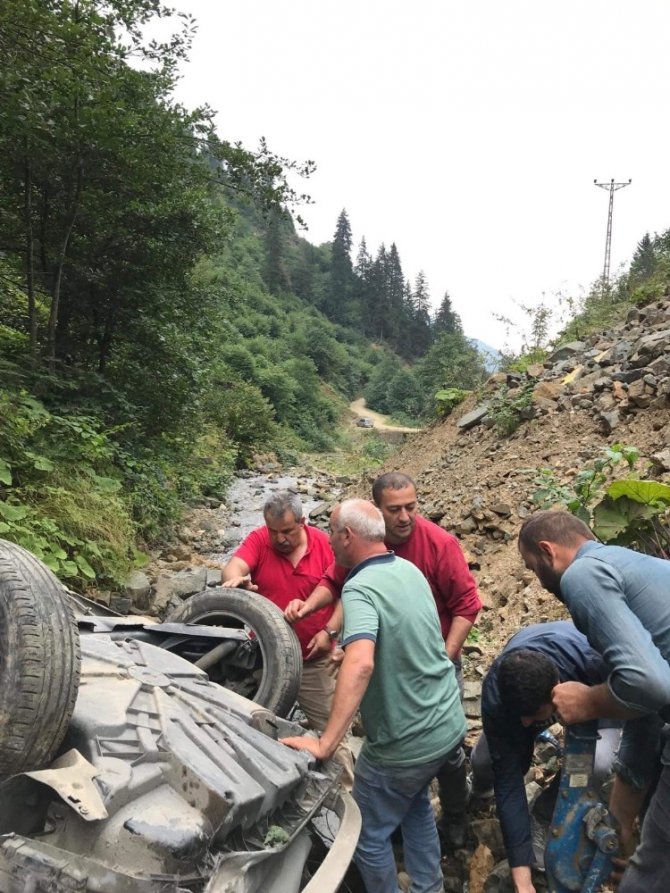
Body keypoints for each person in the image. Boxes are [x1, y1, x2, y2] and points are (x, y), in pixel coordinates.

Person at [285, 472, 481, 846]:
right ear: (377, 512)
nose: (405, 517)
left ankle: (456, 812)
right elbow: (339, 583)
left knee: (447, 753)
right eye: (395, 510)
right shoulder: (364, 541)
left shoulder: (439, 545)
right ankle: (405, 811)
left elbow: (467, 606)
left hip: (434, 658)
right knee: (395, 737)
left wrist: (443, 657)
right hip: (388, 660)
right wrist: (321, 622)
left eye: (411, 507)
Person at [518, 509, 670, 893]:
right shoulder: (633, 565)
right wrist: (620, 820)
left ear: (547, 550)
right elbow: (645, 711)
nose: (540, 583)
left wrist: (590, 701)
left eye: (535, 570)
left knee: (649, 872)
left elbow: (650, 685)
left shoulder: (583, 575)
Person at [472, 621, 627, 893]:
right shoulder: (498, 689)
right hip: (529, 670)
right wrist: (522, 880)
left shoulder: (595, 662)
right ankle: (478, 792)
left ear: (556, 691)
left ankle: (543, 812)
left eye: (533, 716)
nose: (525, 723)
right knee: (486, 763)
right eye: (522, 716)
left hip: (596, 688)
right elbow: (509, 782)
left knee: (600, 762)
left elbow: (636, 705)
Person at [221, 490, 353, 787]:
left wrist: (329, 631)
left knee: (334, 734)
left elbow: (347, 591)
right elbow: (233, 566)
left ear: (303, 522)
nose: (280, 538)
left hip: (312, 661)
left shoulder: (324, 545)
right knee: (241, 727)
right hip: (264, 660)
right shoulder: (259, 540)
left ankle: (351, 799)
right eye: (274, 531)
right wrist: (234, 580)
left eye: (288, 531)